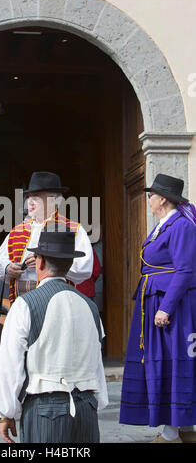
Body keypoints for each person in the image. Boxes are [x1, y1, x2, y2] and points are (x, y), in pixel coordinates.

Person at [0, 230, 108, 443]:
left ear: (39, 263)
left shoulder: (25, 304)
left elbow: (9, 362)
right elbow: (96, 360)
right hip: (86, 408)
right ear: (69, 265)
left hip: (46, 410)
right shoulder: (90, 306)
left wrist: (5, 412)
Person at [120, 173, 196, 443]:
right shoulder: (164, 225)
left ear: (162, 199)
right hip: (156, 300)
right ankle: (184, 430)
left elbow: (186, 269)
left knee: (173, 363)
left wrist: (165, 308)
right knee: (164, 362)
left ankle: (171, 432)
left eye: (150, 196)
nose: (148, 200)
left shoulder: (181, 226)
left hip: (171, 307)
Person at [0, 171, 93, 303]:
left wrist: (48, 262)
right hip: (19, 301)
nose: (30, 202)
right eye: (29, 197)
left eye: (36, 197)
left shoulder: (73, 229)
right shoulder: (16, 231)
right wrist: (7, 268)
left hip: (55, 302)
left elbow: (84, 269)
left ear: (53, 200)